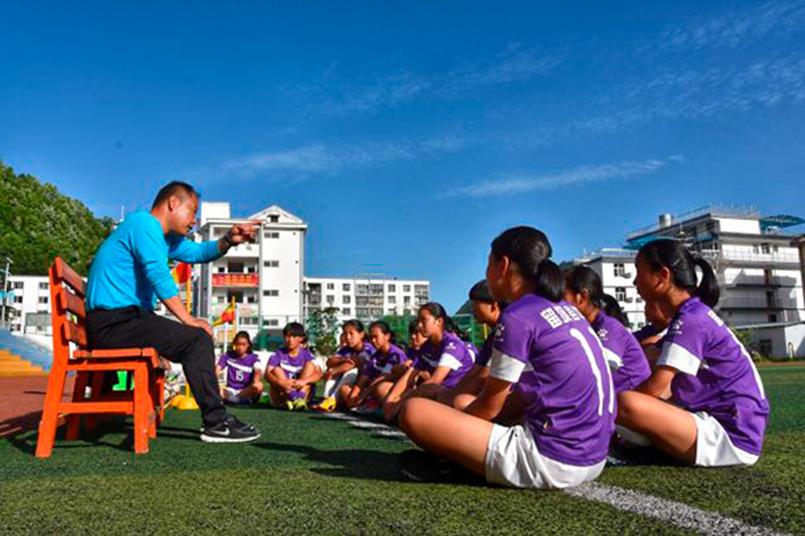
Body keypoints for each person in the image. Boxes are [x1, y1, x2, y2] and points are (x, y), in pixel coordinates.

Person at [399, 226, 615, 489]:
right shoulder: (565, 309)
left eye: (488, 264)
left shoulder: (517, 316)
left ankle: (457, 464)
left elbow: (489, 408)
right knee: (459, 402)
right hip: (594, 457)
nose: (486, 274)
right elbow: (522, 396)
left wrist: (446, 421)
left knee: (415, 412)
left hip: (552, 460)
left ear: (502, 265)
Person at [85, 181, 260, 443]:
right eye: (192, 211)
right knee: (196, 338)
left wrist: (228, 240)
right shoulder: (144, 224)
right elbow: (157, 274)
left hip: (124, 320)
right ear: (173, 203)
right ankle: (216, 422)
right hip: (114, 322)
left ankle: (216, 419)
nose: (194, 220)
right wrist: (188, 319)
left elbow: (199, 252)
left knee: (192, 337)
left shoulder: (163, 238)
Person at [617, 239, 769, 467]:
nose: (635, 280)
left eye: (639, 271)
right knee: (628, 402)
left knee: (624, 403)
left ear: (662, 276)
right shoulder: (692, 314)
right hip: (722, 420)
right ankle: (652, 444)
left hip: (732, 435)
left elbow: (658, 387)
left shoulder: (692, 319)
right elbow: (650, 360)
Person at [564, 265, 650, 394]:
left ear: (581, 297)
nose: (557, 305)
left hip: (633, 398)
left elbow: (600, 368)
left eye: (562, 297)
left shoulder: (609, 326)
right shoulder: (586, 328)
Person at [382, 302, 475, 421]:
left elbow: (435, 381)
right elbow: (410, 375)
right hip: (434, 394)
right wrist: (390, 401)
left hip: (451, 395)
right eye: (418, 321)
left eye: (424, 320)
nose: (419, 325)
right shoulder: (426, 346)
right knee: (385, 390)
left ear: (439, 321)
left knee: (418, 400)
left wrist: (399, 403)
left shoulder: (453, 345)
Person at [343, 320, 407, 412]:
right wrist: (354, 394)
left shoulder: (396, 354)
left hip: (392, 390)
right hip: (372, 390)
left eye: (376, 337)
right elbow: (364, 377)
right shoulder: (375, 356)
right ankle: (367, 404)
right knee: (345, 389)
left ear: (387, 336)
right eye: (371, 337)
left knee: (381, 388)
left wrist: (363, 395)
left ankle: (381, 406)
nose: (373, 340)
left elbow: (383, 378)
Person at [314, 320, 375, 412]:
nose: (348, 337)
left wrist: (334, 371)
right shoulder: (347, 349)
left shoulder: (368, 348)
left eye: (351, 334)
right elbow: (329, 362)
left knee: (351, 370)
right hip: (353, 386)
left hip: (366, 387)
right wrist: (342, 360)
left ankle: (334, 399)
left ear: (361, 335)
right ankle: (327, 399)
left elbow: (355, 362)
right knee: (342, 385)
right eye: (345, 334)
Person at [265, 322, 318, 411]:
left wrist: (303, 381)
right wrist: (280, 383)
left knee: (310, 366)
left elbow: (319, 373)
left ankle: (293, 399)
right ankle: (295, 398)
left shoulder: (307, 354)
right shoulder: (277, 354)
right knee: (276, 369)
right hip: (283, 391)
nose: (290, 340)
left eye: (294, 337)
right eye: (287, 336)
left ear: (301, 338)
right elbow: (267, 374)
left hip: (301, 389)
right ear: (283, 337)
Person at [216, 331, 264, 405]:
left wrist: (255, 381)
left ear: (248, 345)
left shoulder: (254, 357)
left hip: (246, 391)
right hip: (230, 391)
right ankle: (234, 399)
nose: (240, 347)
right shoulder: (228, 355)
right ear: (234, 344)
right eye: (238, 344)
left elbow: (258, 371)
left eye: (243, 344)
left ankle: (233, 399)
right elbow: (217, 369)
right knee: (214, 388)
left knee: (259, 385)